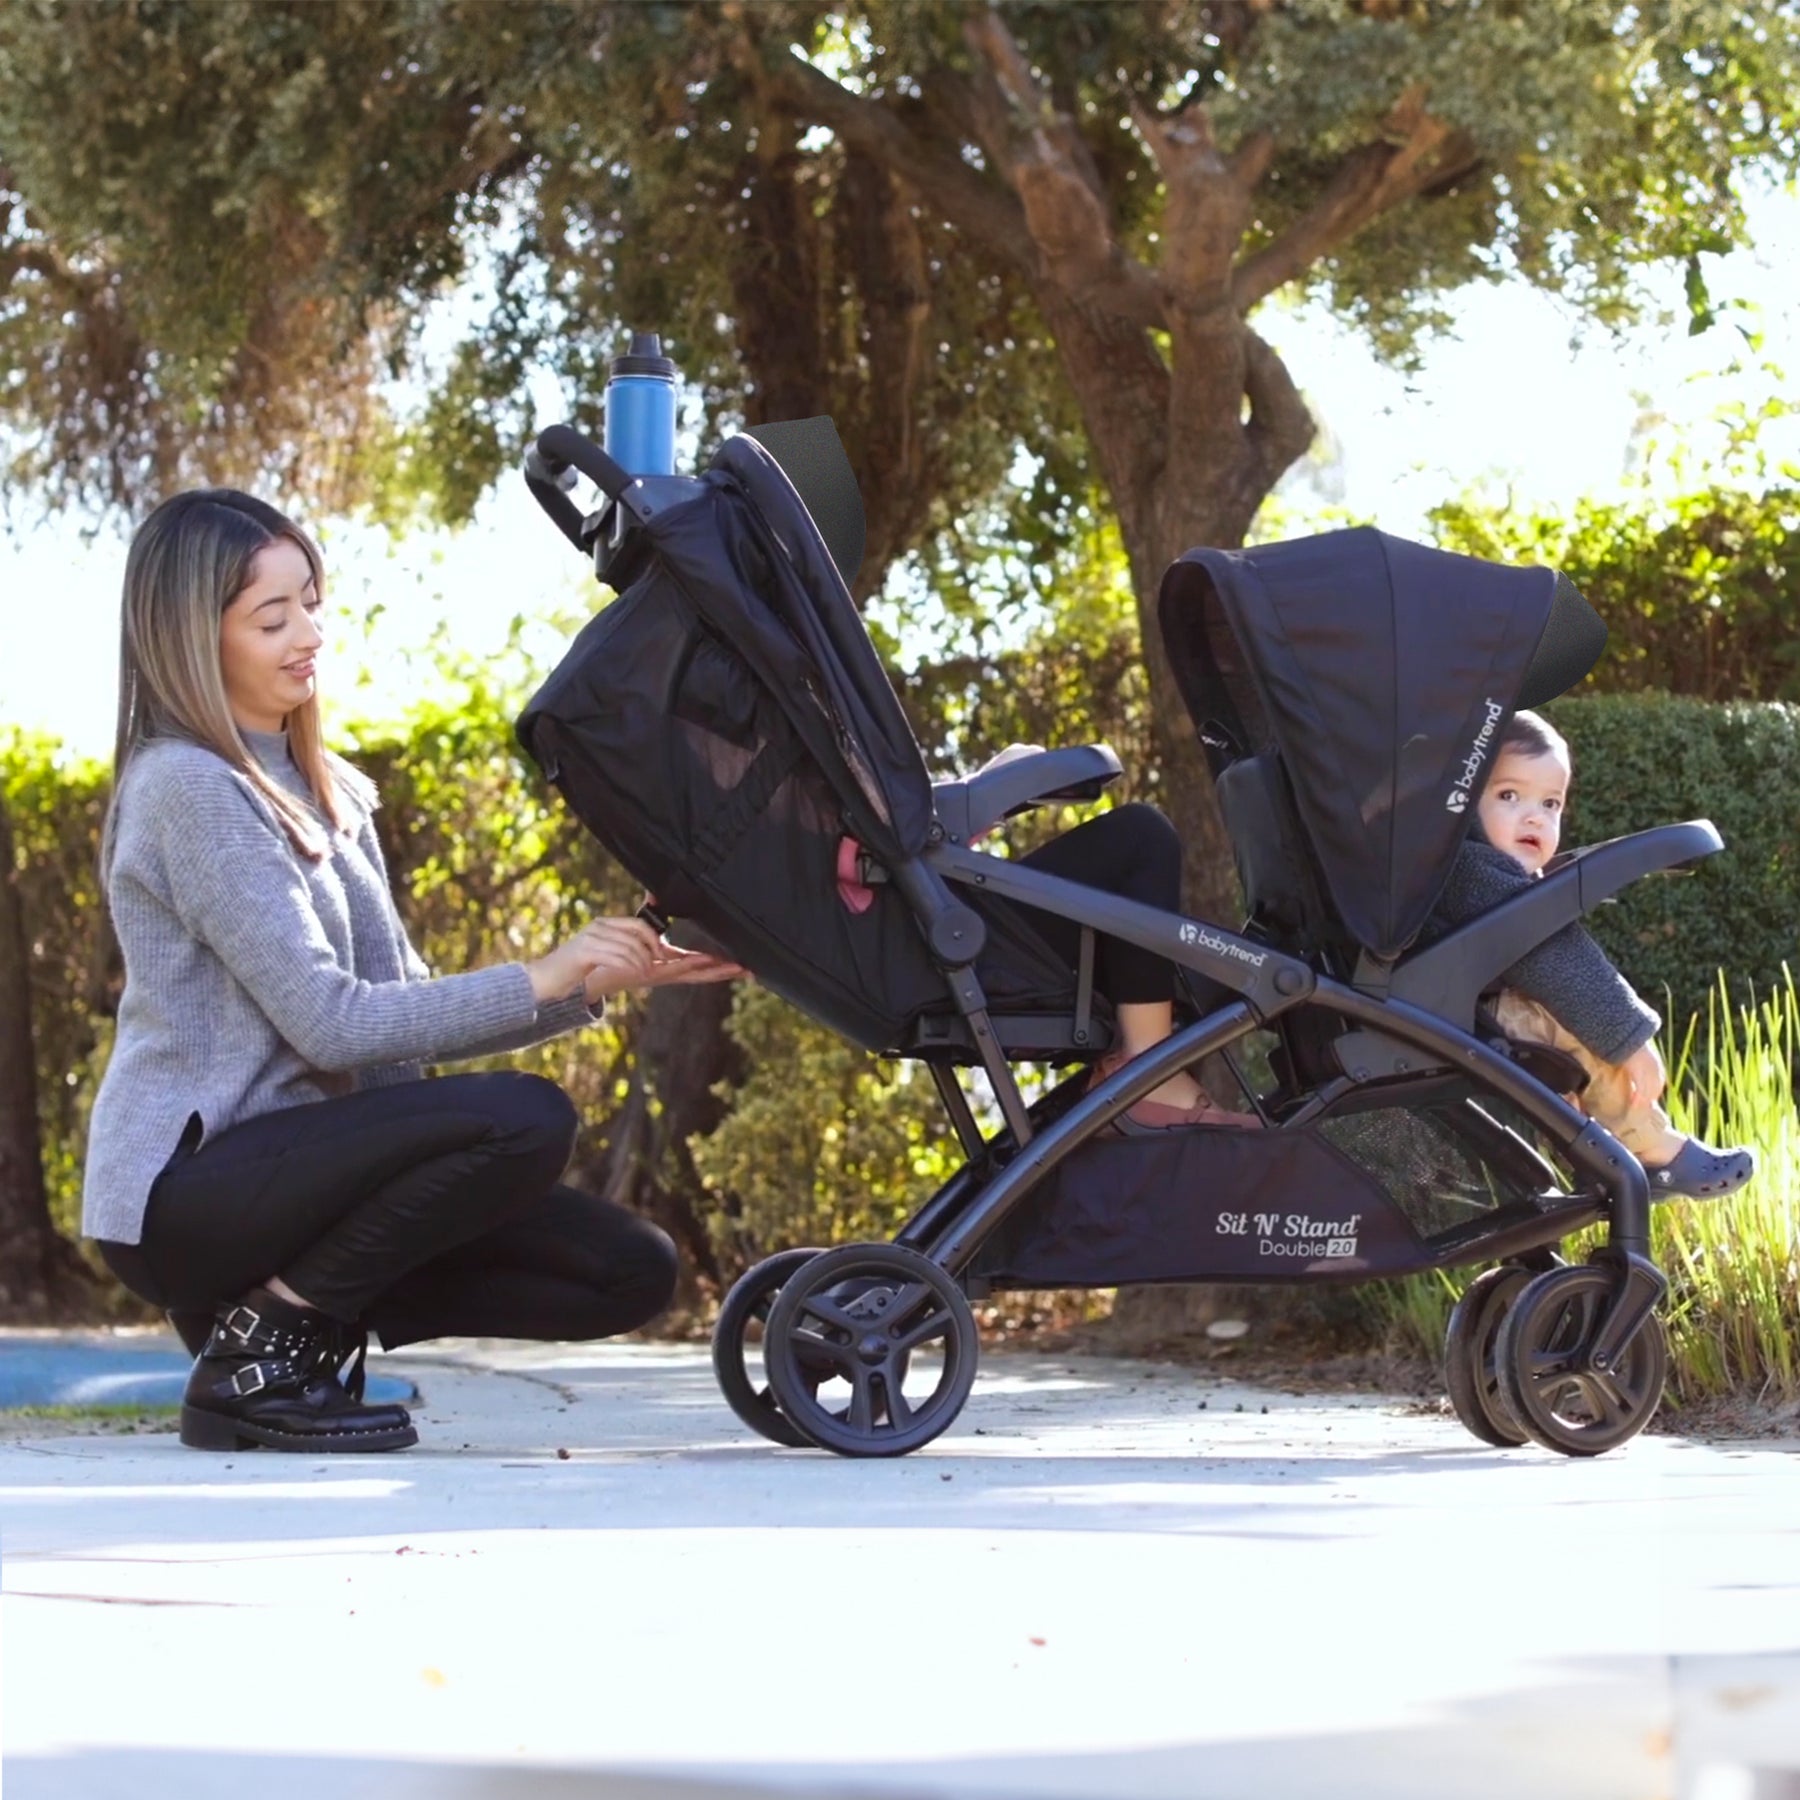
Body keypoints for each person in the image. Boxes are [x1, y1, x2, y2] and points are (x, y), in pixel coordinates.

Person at [82, 488, 743, 1456]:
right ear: (193, 637)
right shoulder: (190, 788)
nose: (309, 634)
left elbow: (398, 1011)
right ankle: (263, 1353)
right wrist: (547, 973)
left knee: (626, 1270)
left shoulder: (330, 787)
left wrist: (598, 978)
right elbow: (334, 1026)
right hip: (188, 1195)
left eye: (312, 603)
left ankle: (282, 1319)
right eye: (273, 617)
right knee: (528, 1117)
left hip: (304, 1188)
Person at [1420, 708, 1753, 1199]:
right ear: (1464, 804)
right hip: (1467, 1018)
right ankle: (1651, 1149)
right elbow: (1551, 953)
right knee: (1577, 1023)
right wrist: (1629, 1040)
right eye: (1509, 796)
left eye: (1551, 803)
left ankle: (1597, 1147)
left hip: (1463, 1017)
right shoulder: (1471, 868)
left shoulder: (1473, 870)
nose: (1535, 816)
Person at [973, 744, 1260, 1132]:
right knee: (1141, 838)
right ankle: (1149, 1072)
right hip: (954, 939)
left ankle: (1142, 1061)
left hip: (939, 934)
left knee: (1181, 968)